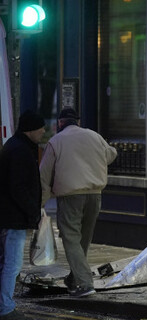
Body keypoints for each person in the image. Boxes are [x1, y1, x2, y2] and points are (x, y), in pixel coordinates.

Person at [40, 108, 117, 298]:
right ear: (78, 122)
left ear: (60, 123)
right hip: (94, 194)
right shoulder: (94, 136)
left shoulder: (56, 141)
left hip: (70, 196)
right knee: (83, 239)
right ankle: (74, 278)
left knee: (71, 239)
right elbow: (111, 154)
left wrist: (41, 203)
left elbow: (43, 175)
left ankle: (85, 283)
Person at [0, 110, 46, 320]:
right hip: (14, 218)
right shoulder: (20, 151)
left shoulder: (15, 146)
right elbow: (18, 187)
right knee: (12, 264)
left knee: (7, 263)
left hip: (11, 216)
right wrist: (32, 212)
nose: (43, 131)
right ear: (30, 129)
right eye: (40, 128)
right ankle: (6, 308)